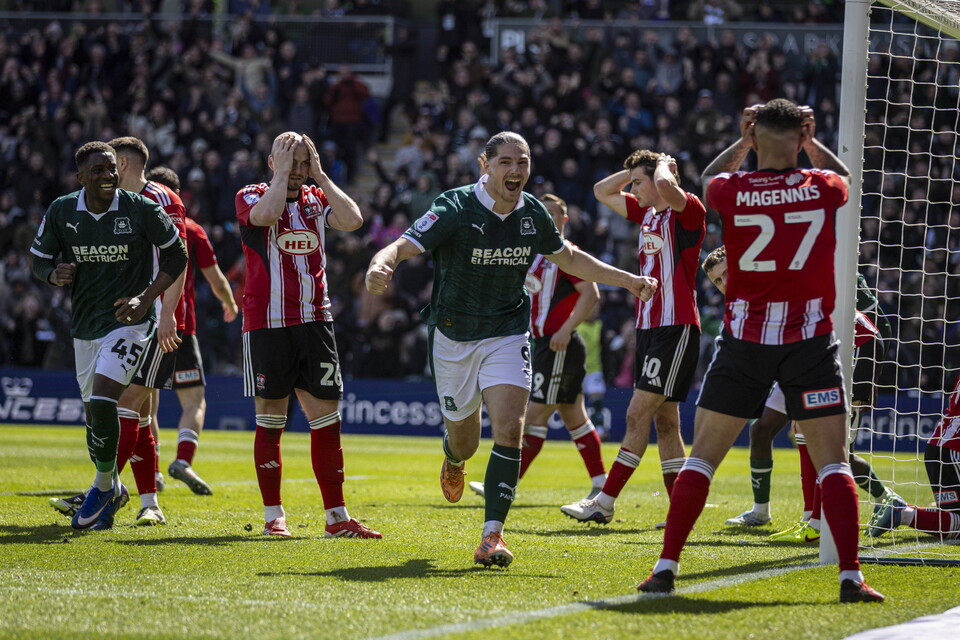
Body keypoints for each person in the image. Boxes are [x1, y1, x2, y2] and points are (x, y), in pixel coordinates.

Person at [364, 131, 658, 567]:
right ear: (485, 165)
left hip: (507, 331)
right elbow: (407, 242)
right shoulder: (456, 205)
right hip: (453, 336)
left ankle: (491, 536)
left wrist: (629, 281)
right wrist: (382, 261)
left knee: (509, 427)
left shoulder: (533, 213)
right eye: (505, 162)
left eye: (523, 162)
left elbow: (572, 260)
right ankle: (453, 456)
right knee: (465, 440)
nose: (516, 170)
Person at [637, 99, 885, 603]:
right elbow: (845, 177)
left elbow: (708, 176)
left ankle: (665, 568)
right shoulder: (819, 186)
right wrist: (812, 142)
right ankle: (851, 577)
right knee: (834, 463)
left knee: (702, 458)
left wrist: (744, 140)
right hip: (810, 343)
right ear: (800, 137)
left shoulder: (734, 188)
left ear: (754, 133)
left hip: (745, 341)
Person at [31, 141, 187, 530]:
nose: (107, 176)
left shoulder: (141, 208)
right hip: (85, 326)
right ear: (80, 177)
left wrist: (146, 298)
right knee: (93, 418)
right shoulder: (62, 210)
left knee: (105, 400)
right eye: (97, 170)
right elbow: (38, 259)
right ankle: (113, 486)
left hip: (131, 323)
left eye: (111, 169)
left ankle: (103, 487)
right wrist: (52, 274)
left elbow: (177, 255)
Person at [702, 247, 903, 539]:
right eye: (717, 281)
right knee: (765, 429)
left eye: (727, 274)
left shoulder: (771, 282)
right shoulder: (747, 299)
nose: (724, 284)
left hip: (850, 353)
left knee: (832, 448)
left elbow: (858, 328)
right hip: (803, 361)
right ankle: (783, 515)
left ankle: (882, 503)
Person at [237, 131, 380, 540]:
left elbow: (353, 220)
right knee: (271, 422)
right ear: (272, 162)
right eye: (291, 162)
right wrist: (283, 174)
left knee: (327, 423)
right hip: (267, 324)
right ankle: (273, 515)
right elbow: (264, 217)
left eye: (304, 162)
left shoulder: (317, 198)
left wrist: (320, 174)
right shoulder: (251, 194)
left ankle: (337, 518)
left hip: (315, 322)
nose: (299, 170)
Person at [560, 149, 705, 527]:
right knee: (665, 423)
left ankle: (604, 501)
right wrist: (632, 172)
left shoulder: (687, 210)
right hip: (648, 328)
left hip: (675, 327)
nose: (634, 190)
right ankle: (680, 512)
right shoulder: (647, 214)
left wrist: (661, 166)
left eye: (638, 182)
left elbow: (663, 185)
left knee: (635, 413)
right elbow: (600, 191)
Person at [466, 193, 607, 502]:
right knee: (574, 417)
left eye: (554, 214)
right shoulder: (537, 256)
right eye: (543, 213)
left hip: (559, 345)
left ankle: (506, 484)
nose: (548, 218)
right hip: (542, 344)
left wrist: (566, 330)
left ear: (564, 220)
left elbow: (591, 294)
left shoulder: (567, 254)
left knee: (532, 418)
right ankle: (601, 484)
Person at [145, 165, 239, 496]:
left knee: (148, 405)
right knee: (194, 402)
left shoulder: (133, 224)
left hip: (143, 324)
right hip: (181, 326)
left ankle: (151, 472)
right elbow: (215, 278)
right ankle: (183, 460)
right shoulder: (190, 228)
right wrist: (230, 303)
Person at [868, 372, 960, 539]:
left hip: (944, 444)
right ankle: (902, 513)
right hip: (952, 448)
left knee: (953, 513)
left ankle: (902, 509)